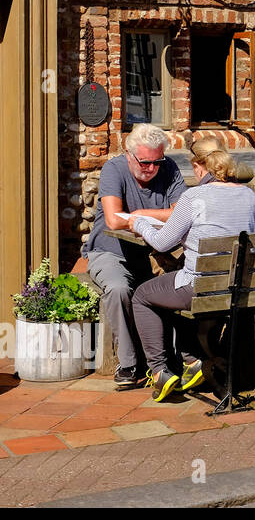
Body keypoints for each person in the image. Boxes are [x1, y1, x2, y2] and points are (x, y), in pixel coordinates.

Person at [129, 139, 255, 401]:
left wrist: (139, 224)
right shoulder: (249, 195)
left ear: (199, 167)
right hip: (238, 289)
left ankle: (159, 372)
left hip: (200, 287)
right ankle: (192, 361)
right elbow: (254, 238)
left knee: (143, 296)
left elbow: (162, 242)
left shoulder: (194, 197)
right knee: (166, 293)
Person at [82, 123, 187, 389]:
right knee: (118, 289)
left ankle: (179, 360)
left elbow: (183, 214)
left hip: (156, 251)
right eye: (144, 162)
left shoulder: (169, 168)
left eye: (157, 162)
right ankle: (128, 363)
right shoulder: (114, 169)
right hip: (110, 250)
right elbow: (114, 220)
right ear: (129, 155)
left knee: (182, 284)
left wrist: (140, 216)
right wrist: (158, 218)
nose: (151, 168)